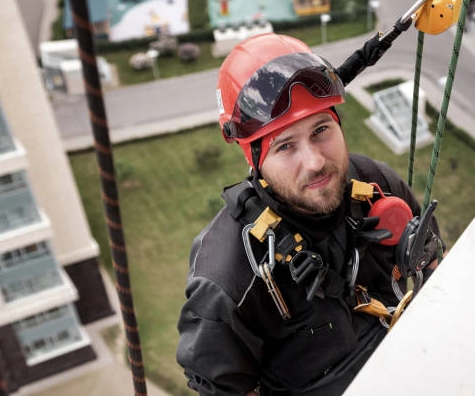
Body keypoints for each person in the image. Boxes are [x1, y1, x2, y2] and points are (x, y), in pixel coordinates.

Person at [176, 33, 444, 396]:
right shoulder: (229, 277)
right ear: (254, 159)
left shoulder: (375, 183)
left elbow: (433, 265)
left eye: (321, 130)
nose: (316, 162)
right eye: (285, 145)